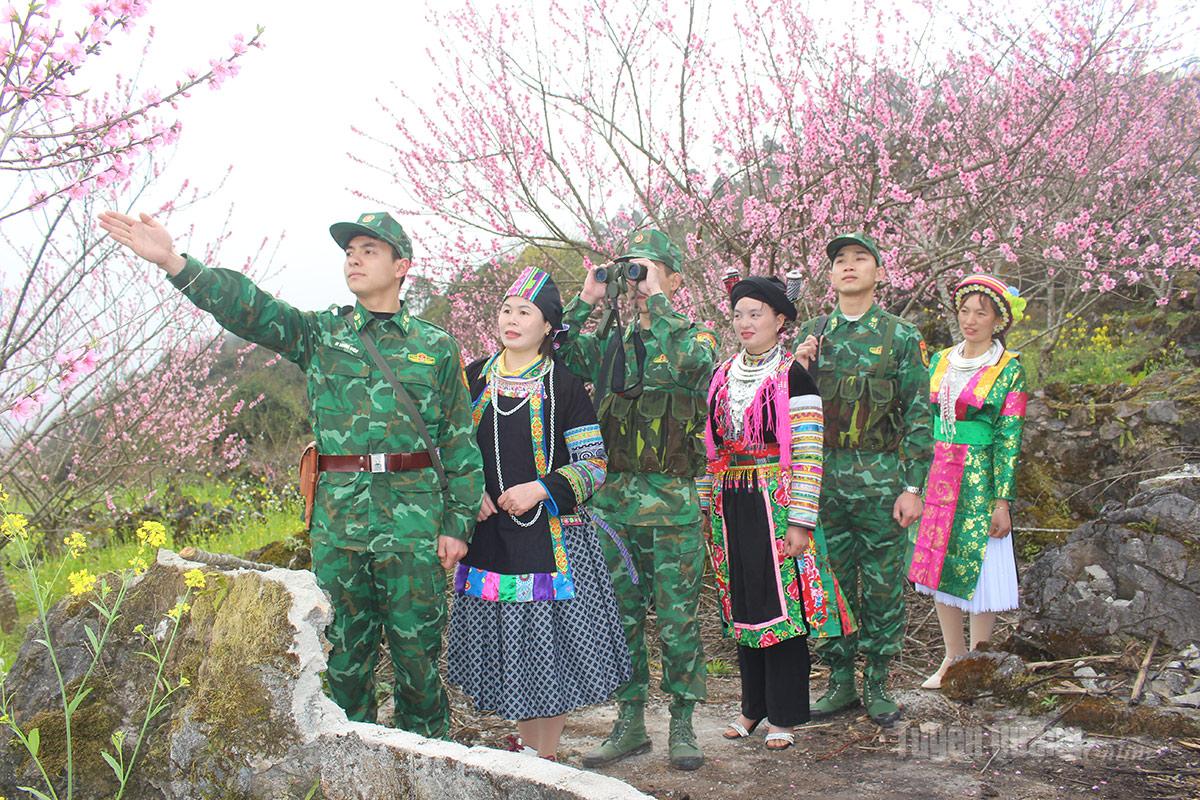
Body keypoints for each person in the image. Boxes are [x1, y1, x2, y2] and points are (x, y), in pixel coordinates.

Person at [98, 210, 484, 738]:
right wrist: (174, 261)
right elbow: (252, 311)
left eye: (369, 249)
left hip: (414, 527)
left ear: (402, 266)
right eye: (350, 250)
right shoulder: (321, 333)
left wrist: (457, 524)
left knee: (418, 661)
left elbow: (460, 444)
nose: (353, 256)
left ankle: (433, 767)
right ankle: (351, 770)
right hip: (339, 525)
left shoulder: (436, 348)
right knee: (344, 662)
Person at [447, 266, 631, 761]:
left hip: (550, 540)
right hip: (489, 539)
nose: (511, 318)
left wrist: (540, 489)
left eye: (524, 312)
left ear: (549, 325)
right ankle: (527, 744)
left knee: (543, 652)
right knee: (509, 648)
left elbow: (593, 466)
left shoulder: (564, 386)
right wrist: (471, 493)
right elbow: (450, 448)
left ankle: (542, 754)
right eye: (506, 309)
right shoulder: (474, 377)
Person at [557, 229, 718, 771]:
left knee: (677, 622)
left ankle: (683, 723)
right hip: (613, 508)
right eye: (635, 271)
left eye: (652, 270)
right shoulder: (610, 343)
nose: (640, 281)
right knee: (618, 619)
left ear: (674, 277)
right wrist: (588, 298)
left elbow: (699, 369)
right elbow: (558, 351)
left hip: (672, 505)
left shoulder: (695, 338)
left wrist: (659, 301)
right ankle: (629, 722)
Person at [701, 276, 854, 751]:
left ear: (780, 320)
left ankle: (785, 713)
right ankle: (753, 707)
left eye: (756, 314)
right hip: (732, 498)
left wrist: (801, 520)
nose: (745, 323)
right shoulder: (723, 374)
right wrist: (706, 504)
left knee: (783, 607)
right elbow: (712, 448)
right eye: (739, 314)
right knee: (744, 604)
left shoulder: (794, 376)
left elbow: (809, 452)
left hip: (777, 498)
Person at [794, 232, 933, 727]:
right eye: (839, 260)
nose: (848, 266)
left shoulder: (901, 336)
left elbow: (920, 415)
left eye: (860, 258)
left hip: (881, 480)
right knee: (828, 583)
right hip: (822, 480)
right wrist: (799, 367)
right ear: (830, 276)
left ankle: (877, 679)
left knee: (880, 586)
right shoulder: (811, 334)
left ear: (878, 272)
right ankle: (840, 680)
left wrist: (913, 487)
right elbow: (788, 413)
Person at [908, 275, 1028, 689]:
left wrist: (1002, 499)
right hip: (940, 471)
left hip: (980, 473)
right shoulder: (941, 360)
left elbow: (1009, 436)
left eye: (982, 312)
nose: (971, 320)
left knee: (980, 565)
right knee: (940, 563)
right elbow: (923, 422)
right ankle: (951, 655)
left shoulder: (1007, 369)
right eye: (965, 311)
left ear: (998, 319)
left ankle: (976, 659)